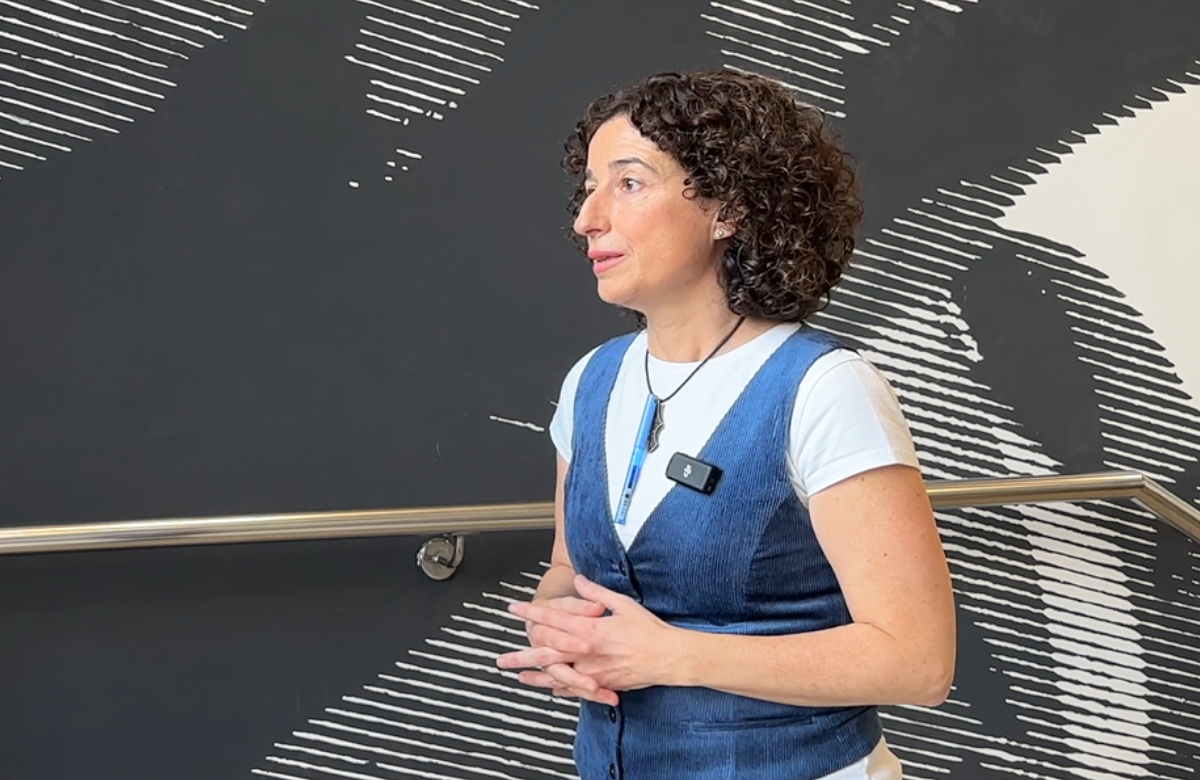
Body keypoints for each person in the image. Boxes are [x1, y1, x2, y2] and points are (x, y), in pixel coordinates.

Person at [494, 70, 956, 780]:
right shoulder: (590, 382)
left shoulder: (823, 388)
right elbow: (568, 568)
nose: (588, 218)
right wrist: (562, 632)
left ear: (729, 207)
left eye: (629, 183)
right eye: (588, 188)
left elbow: (918, 663)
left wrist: (673, 655)